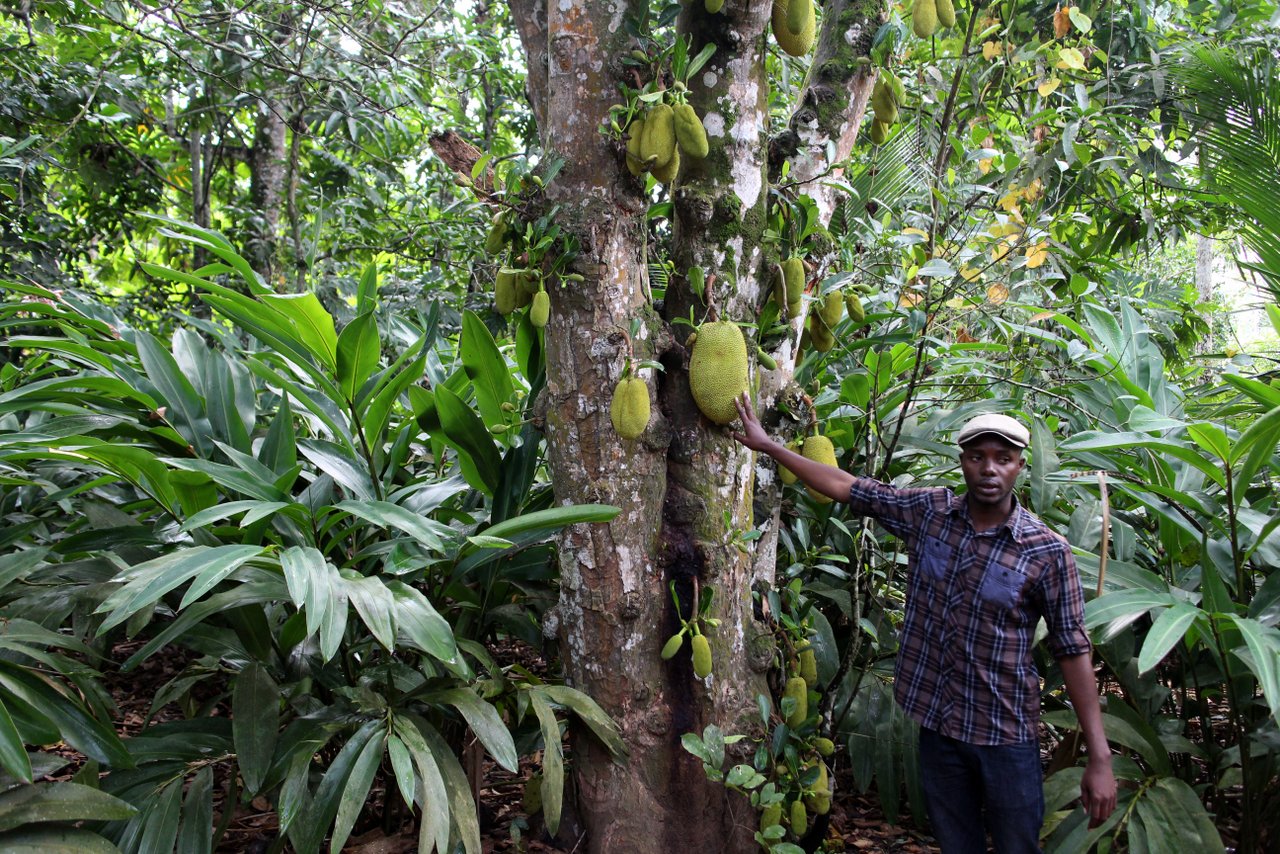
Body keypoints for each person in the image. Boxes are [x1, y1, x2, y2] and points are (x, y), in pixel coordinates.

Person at [731, 392, 1116, 853]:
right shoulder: (929, 512)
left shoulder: (1046, 551)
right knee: (957, 844)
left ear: (1018, 466)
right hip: (939, 724)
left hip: (1004, 732)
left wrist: (1099, 756)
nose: (989, 469)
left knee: (1018, 846)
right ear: (963, 462)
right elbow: (847, 486)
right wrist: (770, 446)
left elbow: (1072, 650)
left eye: (1003, 459)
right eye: (978, 457)